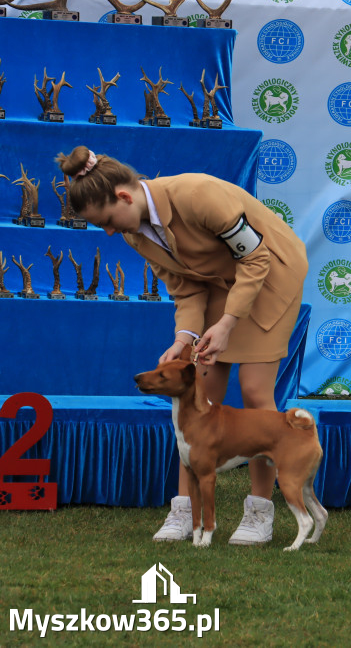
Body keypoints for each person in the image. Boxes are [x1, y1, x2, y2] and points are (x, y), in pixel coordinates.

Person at [57, 145, 309, 546]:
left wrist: (226, 323)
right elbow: (185, 289)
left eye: (106, 221)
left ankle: (259, 512)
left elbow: (256, 259)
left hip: (270, 272)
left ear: (124, 196)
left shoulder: (198, 194)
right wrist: (184, 339)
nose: (108, 232)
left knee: (255, 391)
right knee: (198, 397)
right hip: (219, 284)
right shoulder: (134, 234)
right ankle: (184, 511)